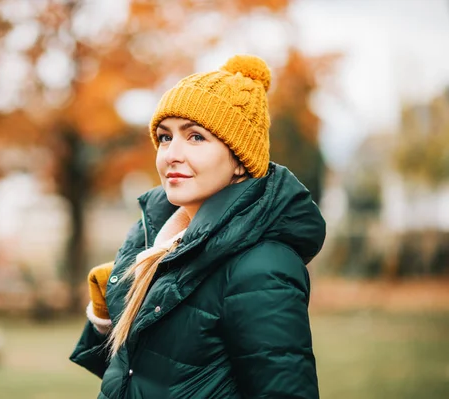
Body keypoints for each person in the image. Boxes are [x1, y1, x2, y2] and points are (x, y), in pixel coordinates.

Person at [70, 54, 326, 399]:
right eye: (164, 137)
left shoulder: (262, 267)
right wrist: (109, 312)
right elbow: (143, 376)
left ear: (240, 160)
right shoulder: (154, 243)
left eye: (195, 138)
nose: (171, 154)